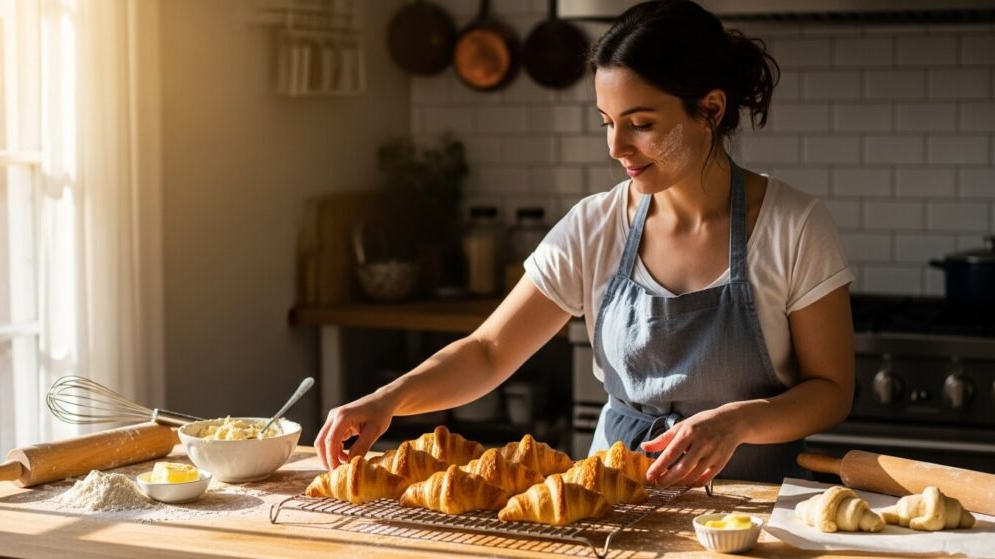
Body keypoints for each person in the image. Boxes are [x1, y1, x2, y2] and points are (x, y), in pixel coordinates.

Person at [316, 0, 855, 486]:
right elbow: (487, 352)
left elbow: (831, 389)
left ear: (711, 110)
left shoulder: (794, 225)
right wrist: (388, 401)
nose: (617, 146)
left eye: (640, 123)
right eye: (607, 122)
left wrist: (740, 420)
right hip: (613, 506)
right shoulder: (595, 225)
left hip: (756, 509)